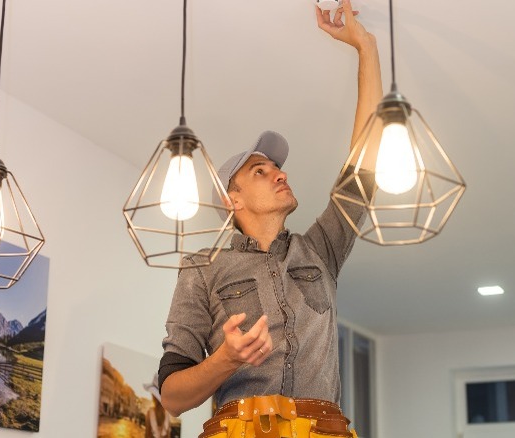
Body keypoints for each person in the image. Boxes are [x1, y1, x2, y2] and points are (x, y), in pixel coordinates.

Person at [157, 2, 382, 437]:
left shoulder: (321, 250)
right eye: (260, 171)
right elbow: (171, 396)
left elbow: (362, 169)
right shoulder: (201, 269)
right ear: (232, 199)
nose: (280, 173)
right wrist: (226, 358)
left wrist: (366, 47)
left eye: (277, 168)